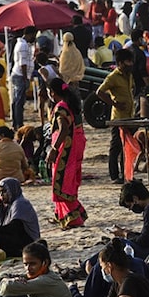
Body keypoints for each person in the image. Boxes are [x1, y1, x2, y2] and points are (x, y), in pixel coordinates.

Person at [46, 78, 88, 229]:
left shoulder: (60, 107)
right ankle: (62, 215)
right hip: (74, 147)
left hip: (65, 149)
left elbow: (63, 129)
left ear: (52, 92)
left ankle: (72, 217)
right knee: (68, 180)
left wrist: (54, 149)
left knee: (62, 182)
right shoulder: (70, 104)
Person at [97, 48, 134, 184]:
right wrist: (114, 104)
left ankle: (127, 174)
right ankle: (114, 175)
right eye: (127, 61)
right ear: (120, 63)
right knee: (116, 147)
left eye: (131, 61)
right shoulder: (112, 77)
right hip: (118, 117)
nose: (130, 64)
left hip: (130, 116)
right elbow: (99, 92)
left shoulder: (129, 75)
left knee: (128, 147)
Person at [0, 177, 41, 258]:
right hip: (17, 236)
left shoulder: (20, 203)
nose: (1, 195)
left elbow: (15, 227)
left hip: (28, 239)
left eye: (4, 191)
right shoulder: (7, 206)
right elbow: (3, 227)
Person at [112, 180, 149, 259]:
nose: (131, 209)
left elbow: (145, 241)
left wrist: (125, 234)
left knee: (119, 243)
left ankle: (89, 265)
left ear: (135, 199)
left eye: (130, 205)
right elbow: (148, 234)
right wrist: (130, 234)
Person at [10, 26, 35, 129]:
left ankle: (16, 122)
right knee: (19, 101)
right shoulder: (23, 45)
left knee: (17, 100)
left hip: (19, 74)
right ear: (29, 34)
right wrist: (26, 77)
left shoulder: (22, 44)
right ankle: (18, 123)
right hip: (20, 75)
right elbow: (23, 63)